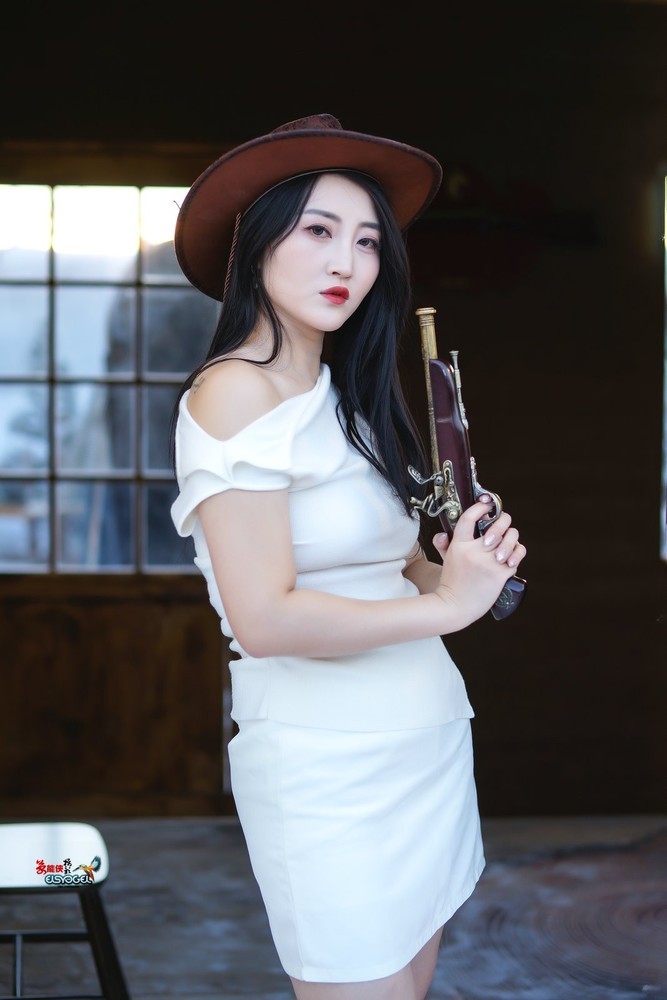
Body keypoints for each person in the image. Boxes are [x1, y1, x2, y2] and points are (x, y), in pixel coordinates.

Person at [170, 113, 526, 1000]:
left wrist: (463, 565)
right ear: (255, 244)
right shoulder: (233, 393)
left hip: (424, 733)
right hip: (324, 762)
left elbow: (395, 573)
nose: (347, 262)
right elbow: (264, 617)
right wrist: (448, 606)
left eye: (367, 241)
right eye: (318, 231)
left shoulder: (349, 398)